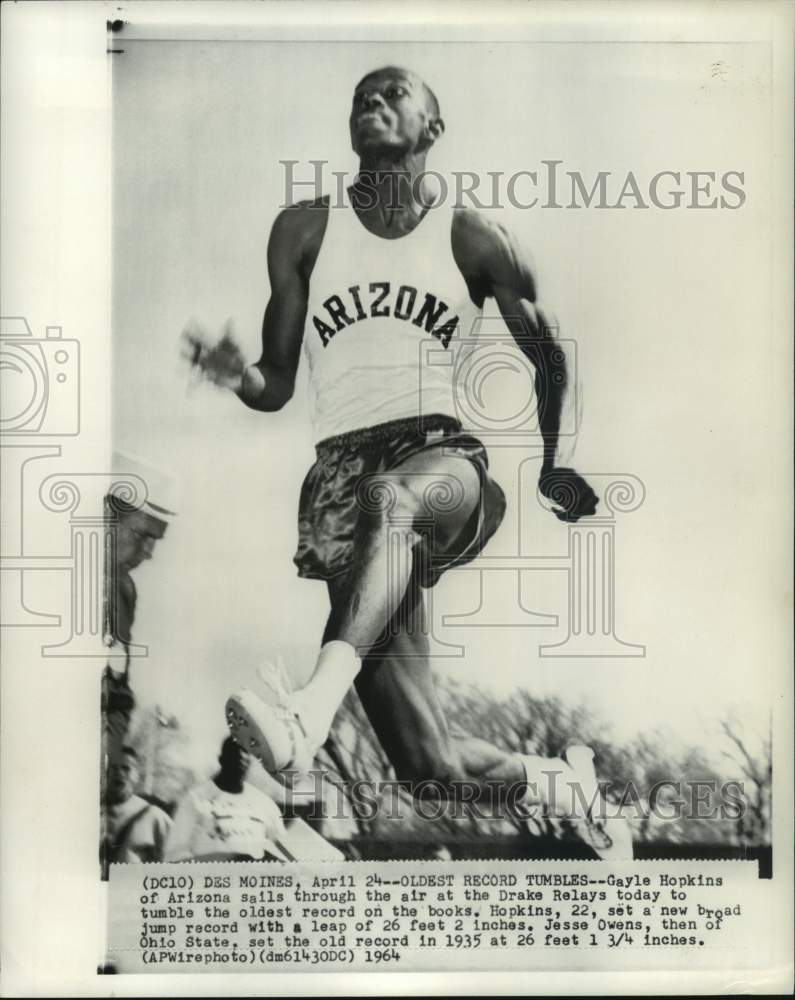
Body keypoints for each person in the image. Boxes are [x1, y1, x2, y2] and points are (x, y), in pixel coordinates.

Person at [185, 67, 630, 857]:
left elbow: (549, 354)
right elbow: (276, 382)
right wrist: (236, 376)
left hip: (438, 458)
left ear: (432, 127)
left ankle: (308, 712)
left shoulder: (469, 235)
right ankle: (562, 782)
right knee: (429, 770)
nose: (372, 101)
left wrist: (554, 462)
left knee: (392, 497)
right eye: (360, 94)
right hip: (338, 478)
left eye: (393, 92)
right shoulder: (303, 230)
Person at [164, 737, 287, 861]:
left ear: (249, 763)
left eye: (245, 763)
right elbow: (173, 859)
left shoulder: (264, 804)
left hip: (254, 879)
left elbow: (283, 854)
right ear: (221, 760)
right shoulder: (195, 800)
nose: (240, 768)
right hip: (211, 879)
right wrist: (227, 859)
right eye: (233, 762)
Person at [101, 747, 172, 863]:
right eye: (113, 768)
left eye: (126, 768)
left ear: (136, 776)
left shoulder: (153, 816)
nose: (119, 773)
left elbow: (176, 857)